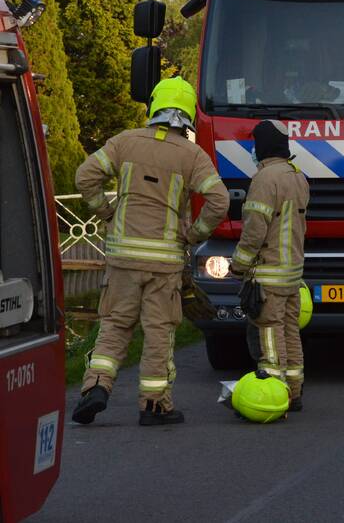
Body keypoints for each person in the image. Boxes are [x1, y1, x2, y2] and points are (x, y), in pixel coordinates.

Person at [71, 77, 229, 426]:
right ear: (187, 113)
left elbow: (85, 176)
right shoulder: (192, 155)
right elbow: (219, 200)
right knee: (159, 331)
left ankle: (95, 388)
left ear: (154, 106)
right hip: (165, 262)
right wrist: (193, 233)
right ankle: (154, 405)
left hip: (123, 257)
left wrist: (107, 212)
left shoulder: (125, 142)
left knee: (114, 325)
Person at [229, 120, 310, 410]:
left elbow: (254, 230)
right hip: (291, 274)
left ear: (262, 145)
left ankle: (274, 391)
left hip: (268, 274)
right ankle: (295, 390)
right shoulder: (297, 176)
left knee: (268, 332)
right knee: (290, 332)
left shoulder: (264, 179)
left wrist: (238, 265)